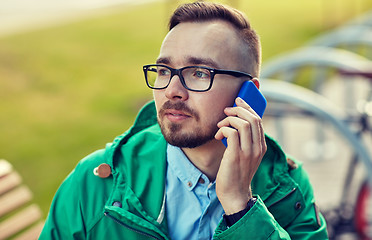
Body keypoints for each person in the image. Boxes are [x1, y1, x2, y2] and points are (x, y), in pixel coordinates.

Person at [40, 1, 328, 239]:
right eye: (164, 71)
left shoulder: (288, 189)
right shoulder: (96, 184)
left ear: (248, 93)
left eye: (199, 73)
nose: (172, 90)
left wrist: (241, 207)